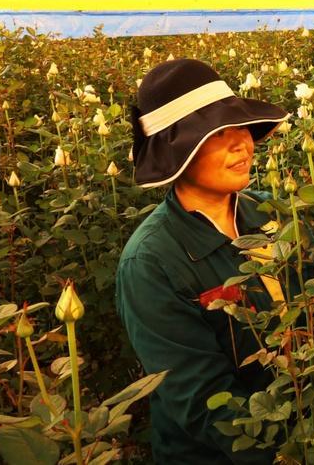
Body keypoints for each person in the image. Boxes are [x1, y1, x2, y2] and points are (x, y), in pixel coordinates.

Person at [115, 58, 290, 464]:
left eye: (241, 127)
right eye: (218, 133)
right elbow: (204, 404)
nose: (242, 144)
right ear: (177, 152)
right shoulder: (150, 263)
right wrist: (299, 445)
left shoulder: (272, 213)